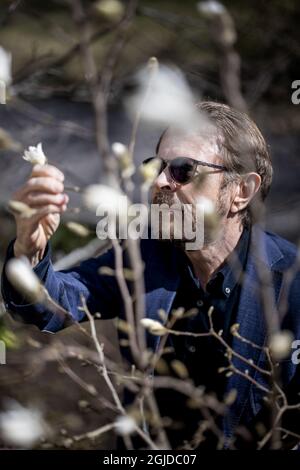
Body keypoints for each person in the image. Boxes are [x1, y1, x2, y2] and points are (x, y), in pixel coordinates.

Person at [2, 102, 300, 449]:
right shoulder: (145, 256)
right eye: (157, 166)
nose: (159, 181)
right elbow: (51, 304)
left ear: (242, 191)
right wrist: (29, 250)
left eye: (183, 170)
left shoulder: (290, 282)